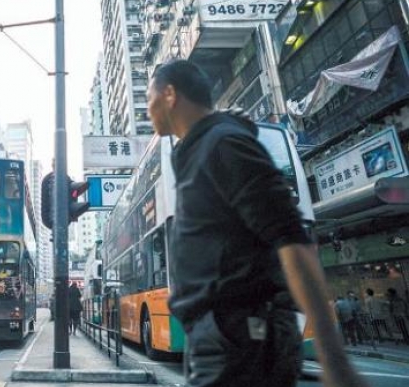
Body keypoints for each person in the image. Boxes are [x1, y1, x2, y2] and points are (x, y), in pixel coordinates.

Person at [146, 60, 367, 387]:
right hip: (220, 337)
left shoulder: (224, 144)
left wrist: (332, 357)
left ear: (169, 94)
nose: (147, 109)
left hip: (241, 338)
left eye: (149, 97)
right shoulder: (197, 151)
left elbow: (291, 239)